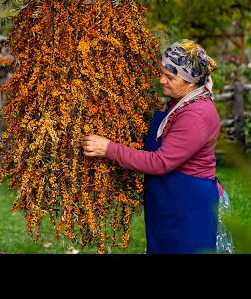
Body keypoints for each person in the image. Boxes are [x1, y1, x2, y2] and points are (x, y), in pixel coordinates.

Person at [82, 39, 233, 254]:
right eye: (161, 72)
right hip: (171, 201)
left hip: (189, 208)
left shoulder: (196, 115)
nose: (161, 80)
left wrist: (108, 149)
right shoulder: (179, 102)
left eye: (170, 77)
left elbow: (160, 162)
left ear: (190, 81)